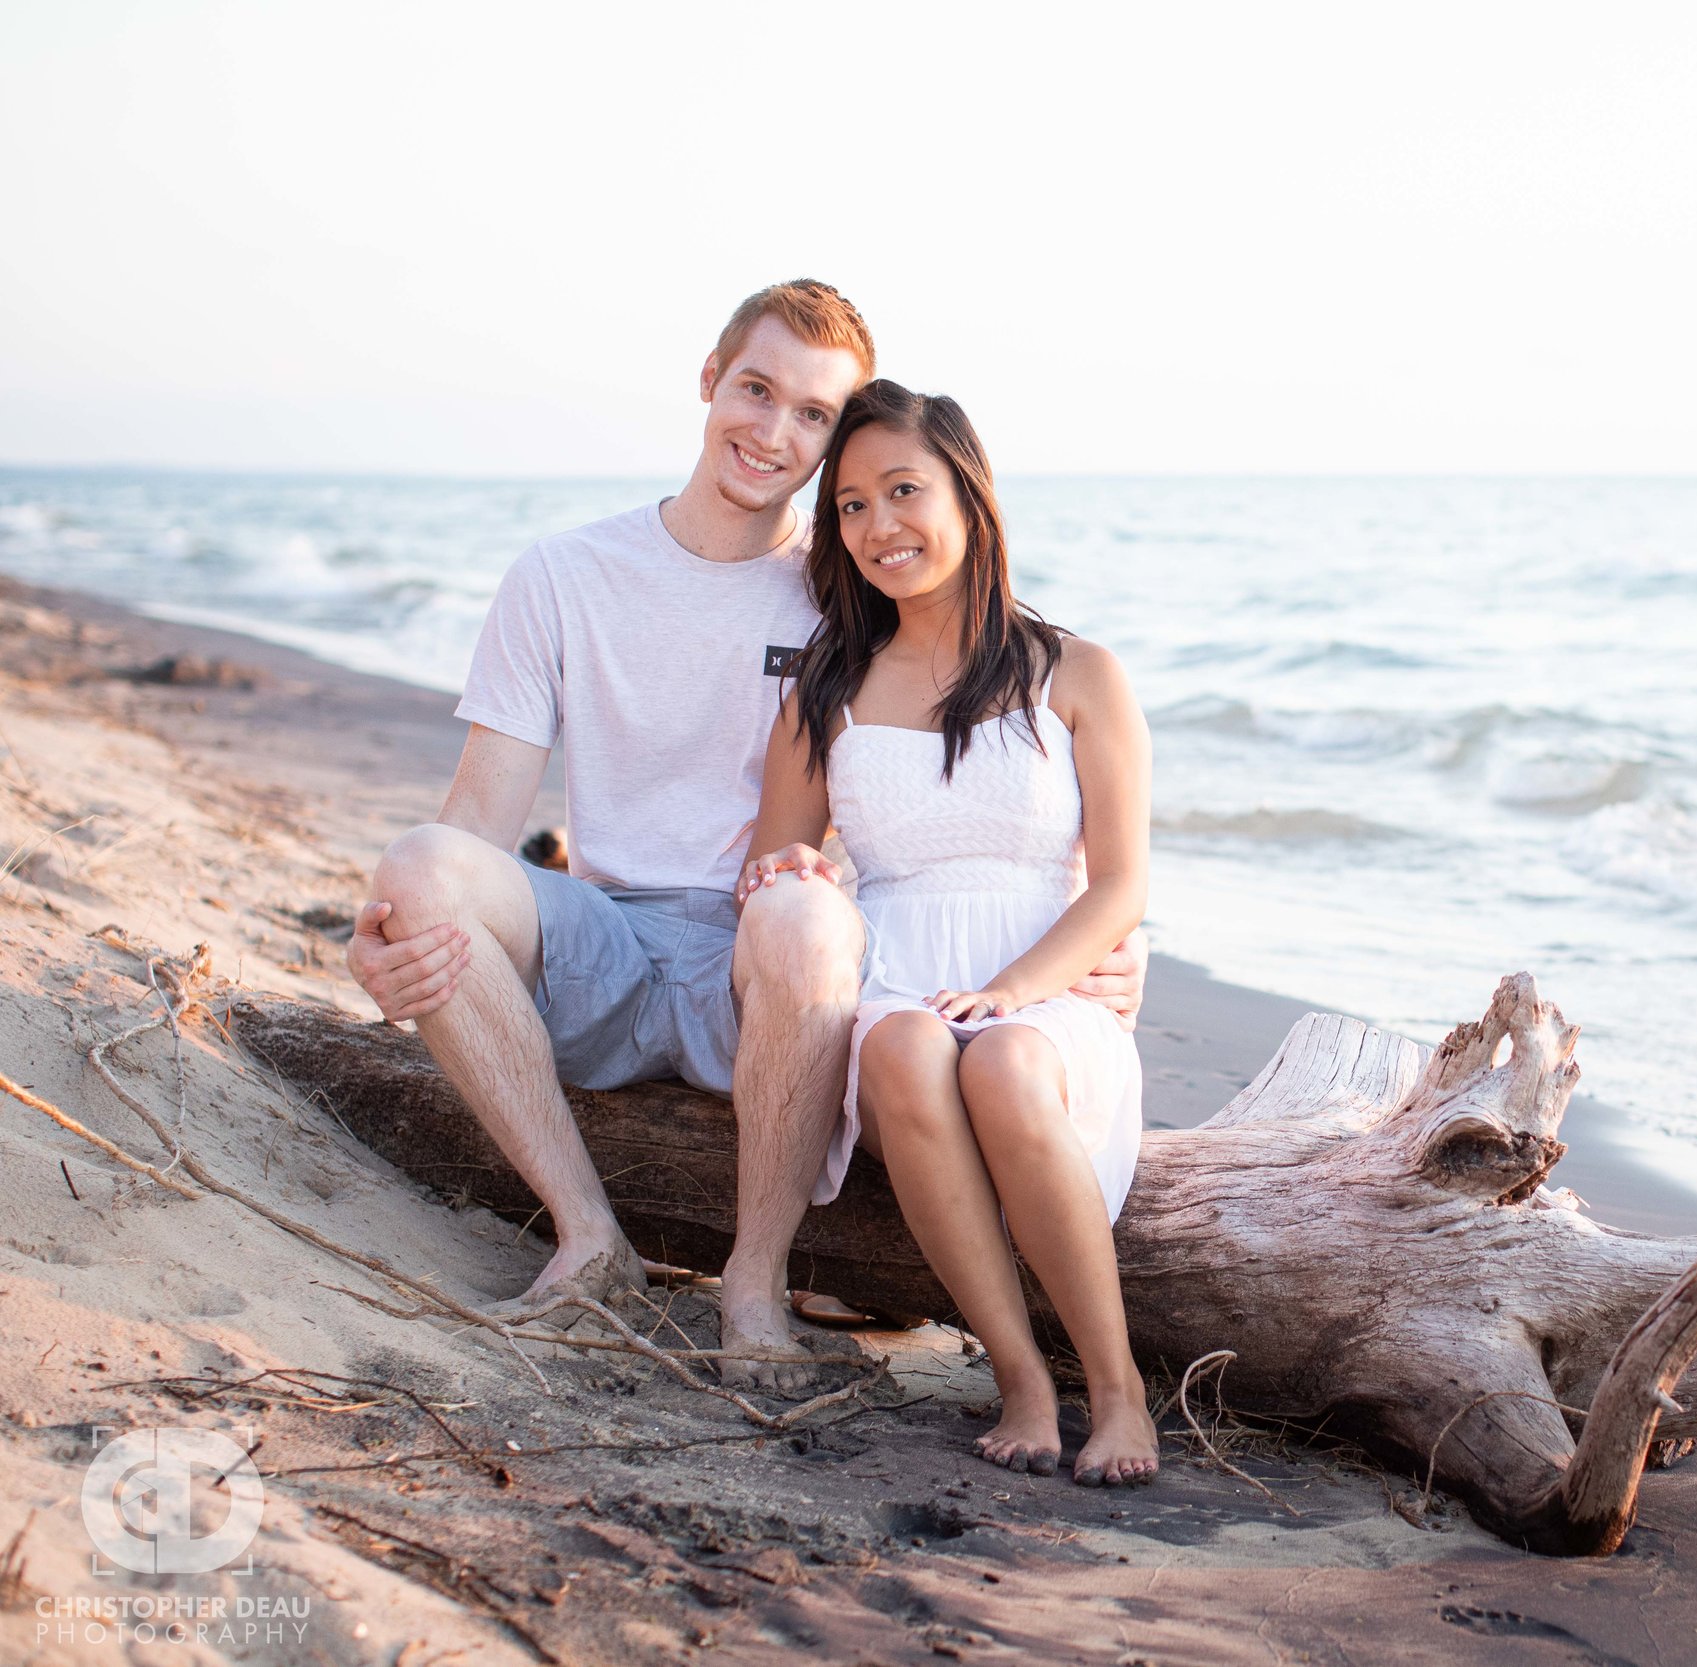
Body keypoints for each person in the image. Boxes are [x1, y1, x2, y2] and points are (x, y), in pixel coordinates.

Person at [343, 284, 1147, 1393]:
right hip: (606, 947)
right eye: (757, 390)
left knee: (805, 911)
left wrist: (1088, 939)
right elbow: (477, 820)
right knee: (417, 864)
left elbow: (979, 751)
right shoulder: (563, 576)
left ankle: (754, 1283)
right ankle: (589, 1239)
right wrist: (393, 930)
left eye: (813, 415)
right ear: (710, 374)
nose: (774, 432)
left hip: (780, 977)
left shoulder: (854, 593)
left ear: (838, 440)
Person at [740, 380, 1159, 1484]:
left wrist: (1018, 988)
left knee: (1011, 1063)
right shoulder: (827, 686)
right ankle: (1018, 1376)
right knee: (906, 1045)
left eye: (904, 491)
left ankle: (1117, 1391)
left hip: (1047, 988)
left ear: (968, 496)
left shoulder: (1079, 674)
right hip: (894, 986)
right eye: (851, 507)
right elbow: (776, 865)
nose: (880, 527)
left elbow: (1118, 888)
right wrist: (786, 872)